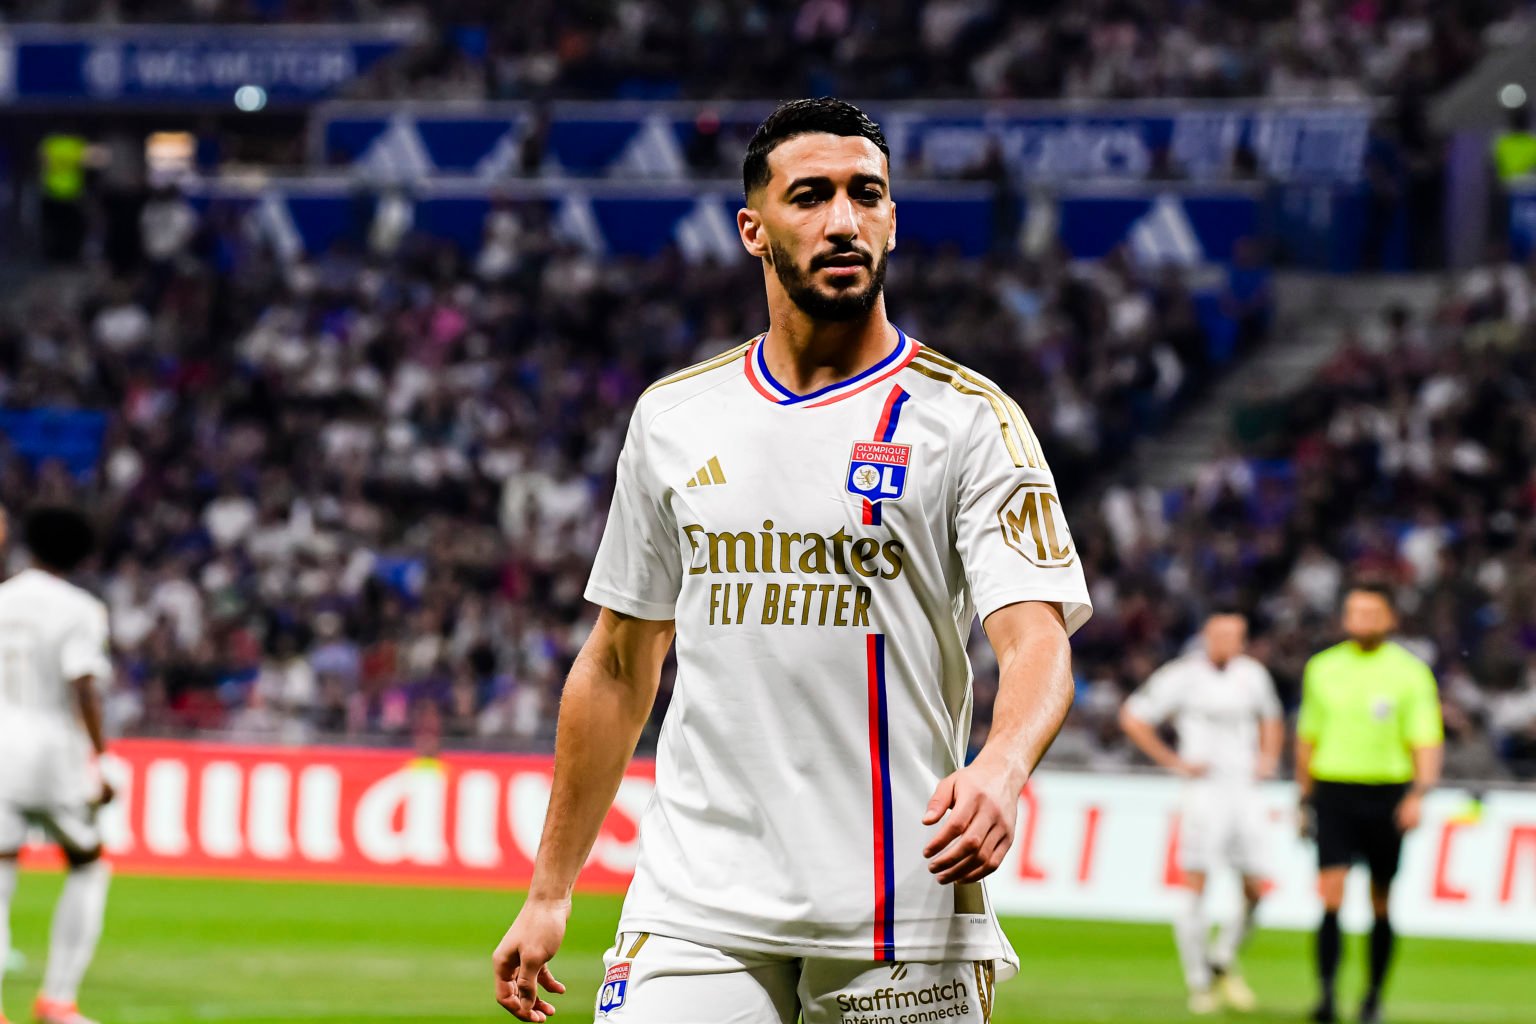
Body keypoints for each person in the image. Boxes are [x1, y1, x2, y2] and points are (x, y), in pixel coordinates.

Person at [490, 97, 1093, 1022]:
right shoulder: (674, 419)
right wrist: (550, 887)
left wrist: (1002, 766)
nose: (843, 221)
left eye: (866, 195)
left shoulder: (970, 420)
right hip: (696, 900)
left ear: (892, 219)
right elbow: (617, 662)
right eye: (809, 196)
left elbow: (1037, 638)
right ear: (753, 229)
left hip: (900, 907)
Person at [1120, 610, 1282, 1015]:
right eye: (1219, 634)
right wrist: (1173, 761)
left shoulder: (1253, 675)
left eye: (1234, 635)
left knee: (1256, 888)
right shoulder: (1182, 675)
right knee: (1197, 880)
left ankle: (1222, 957)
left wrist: (1268, 757)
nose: (1226, 642)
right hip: (1204, 791)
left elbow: (1272, 718)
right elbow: (1134, 715)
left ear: (1243, 639)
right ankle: (1199, 982)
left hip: (1245, 789)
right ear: (1206, 636)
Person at [1296, 584, 1444, 1024]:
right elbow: (1307, 738)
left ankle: (1373, 996)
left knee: (1381, 899)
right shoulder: (1322, 668)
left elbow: (1426, 740)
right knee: (1330, 893)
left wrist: (1419, 794)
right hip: (1334, 789)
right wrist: (1304, 798)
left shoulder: (1411, 672)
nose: (1361, 619)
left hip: (1387, 793)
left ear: (1389, 618)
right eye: (1354, 611)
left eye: (1370, 612)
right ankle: (1325, 997)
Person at [0, 507, 115, 1024]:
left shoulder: (2, 598)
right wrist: (102, 757)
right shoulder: (80, 609)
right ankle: (57, 1000)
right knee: (88, 863)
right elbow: (83, 684)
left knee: (1, 865)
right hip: (51, 753)